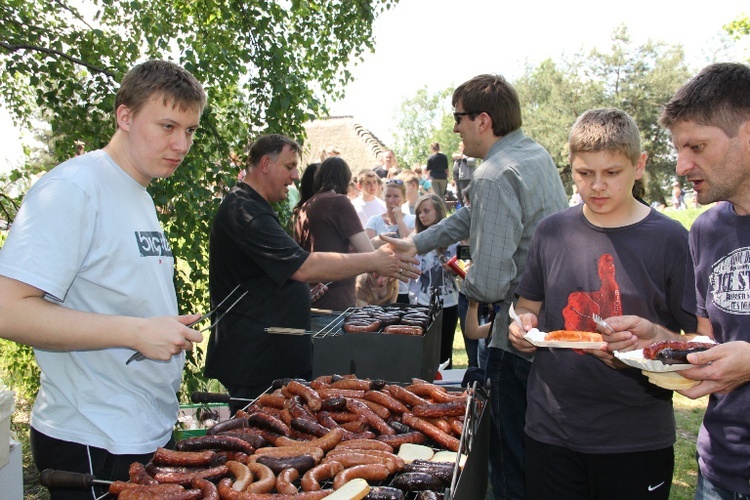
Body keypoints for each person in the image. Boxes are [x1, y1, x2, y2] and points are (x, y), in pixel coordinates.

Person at [0, 60, 207, 499]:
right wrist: (136, 333)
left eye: (190, 130)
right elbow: (7, 309)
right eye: (168, 125)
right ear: (125, 116)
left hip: (145, 430)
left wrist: (160, 328)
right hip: (92, 439)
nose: (181, 143)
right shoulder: (74, 188)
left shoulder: (139, 193)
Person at [382, 73, 567, 499]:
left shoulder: (493, 173)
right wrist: (413, 243)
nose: (455, 129)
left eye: (459, 118)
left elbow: (489, 281)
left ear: (483, 120)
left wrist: (460, 279)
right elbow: (469, 217)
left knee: (508, 461)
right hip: (546, 327)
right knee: (535, 453)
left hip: (512, 334)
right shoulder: (531, 154)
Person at [508, 108, 697, 500]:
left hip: (636, 437)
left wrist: (650, 344)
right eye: (583, 173)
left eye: (611, 173)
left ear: (639, 166)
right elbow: (528, 305)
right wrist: (522, 326)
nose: (596, 186)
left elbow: (698, 340)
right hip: (552, 431)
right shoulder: (551, 232)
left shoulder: (671, 239)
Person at [603, 62, 750, 500]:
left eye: (697, 146)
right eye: (679, 148)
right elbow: (708, 340)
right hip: (720, 471)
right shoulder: (706, 230)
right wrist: (661, 339)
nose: (683, 165)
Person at [204, 134, 416, 414]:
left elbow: (268, 274)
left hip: (269, 356)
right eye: (289, 166)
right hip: (255, 362)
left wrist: (301, 291)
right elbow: (304, 265)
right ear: (265, 164)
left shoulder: (253, 206)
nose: (295, 176)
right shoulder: (246, 212)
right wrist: (373, 261)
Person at [294, 156, 376, 311]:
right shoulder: (338, 202)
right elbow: (369, 254)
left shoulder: (306, 206)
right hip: (335, 302)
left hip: (309, 302)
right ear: (346, 179)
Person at [409, 194, 460, 368]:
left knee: (445, 353)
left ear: (438, 211)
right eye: (419, 212)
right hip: (422, 303)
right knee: (423, 351)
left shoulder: (452, 239)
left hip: (448, 303)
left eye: (426, 211)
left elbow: (462, 268)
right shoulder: (414, 240)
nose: (422, 215)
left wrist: (452, 268)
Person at [365, 178, 416, 304]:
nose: (391, 200)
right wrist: (375, 243)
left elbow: (411, 245)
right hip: (378, 287)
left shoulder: (412, 220)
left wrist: (399, 219)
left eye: (395, 196)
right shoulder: (374, 220)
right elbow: (365, 250)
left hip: (405, 286)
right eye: (388, 196)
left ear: (404, 198)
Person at [452, 141, 476, 205]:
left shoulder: (470, 153)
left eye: (460, 146)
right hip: (458, 178)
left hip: (466, 178)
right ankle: (463, 207)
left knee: (465, 194)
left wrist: (462, 157)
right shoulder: (459, 155)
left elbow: (472, 162)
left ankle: (468, 207)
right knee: (458, 193)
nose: (459, 148)